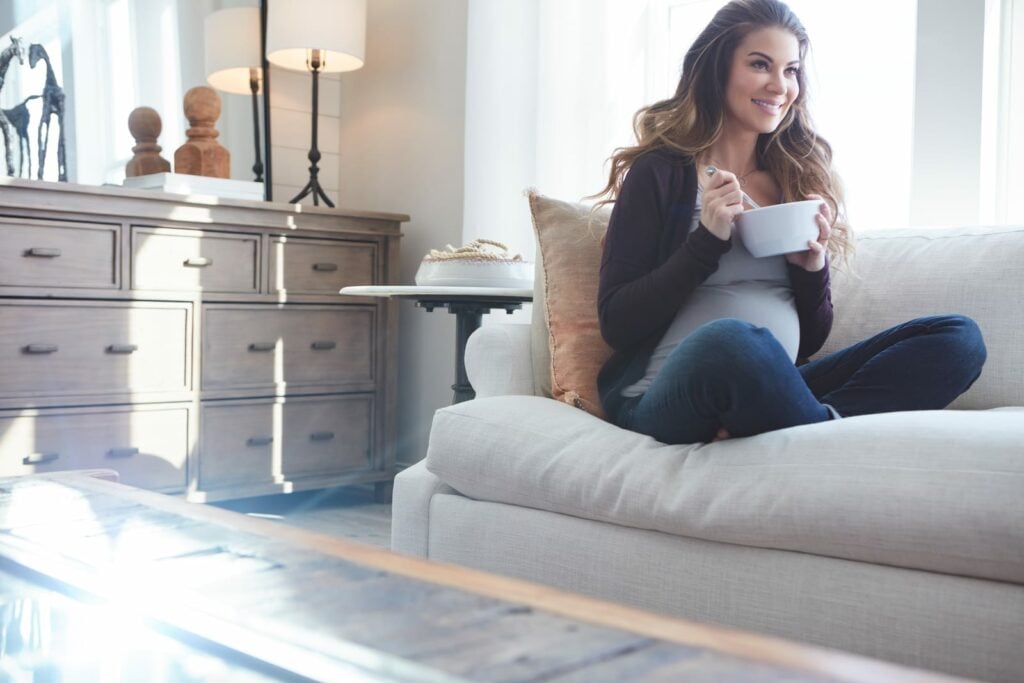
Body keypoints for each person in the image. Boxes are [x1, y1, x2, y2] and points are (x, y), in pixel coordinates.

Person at [592, 0, 986, 445]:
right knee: (733, 341)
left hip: (775, 381)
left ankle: (810, 426)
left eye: (791, 70)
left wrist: (809, 268)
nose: (780, 85)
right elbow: (617, 322)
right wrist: (706, 242)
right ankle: (817, 437)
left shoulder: (792, 177)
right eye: (761, 65)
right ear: (717, 68)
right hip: (667, 392)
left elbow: (810, 341)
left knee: (957, 338)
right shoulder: (661, 171)